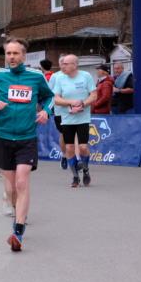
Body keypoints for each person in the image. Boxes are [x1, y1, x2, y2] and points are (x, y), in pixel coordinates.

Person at [0, 38, 54, 252]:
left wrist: (45, 111)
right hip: (2, 138)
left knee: (21, 183)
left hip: (26, 138)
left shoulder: (36, 77)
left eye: (15, 53)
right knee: (11, 188)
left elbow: (50, 98)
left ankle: (18, 230)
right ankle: (17, 209)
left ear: (24, 55)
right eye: (8, 53)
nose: (11, 57)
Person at [50, 55, 97, 188]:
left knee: (83, 147)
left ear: (75, 65)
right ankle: (75, 176)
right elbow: (56, 99)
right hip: (67, 118)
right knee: (70, 147)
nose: (62, 66)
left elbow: (94, 95)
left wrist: (83, 104)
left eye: (65, 64)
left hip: (83, 118)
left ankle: (86, 169)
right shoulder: (59, 78)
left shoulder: (86, 76)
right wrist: (70, 103)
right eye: (62, 63)